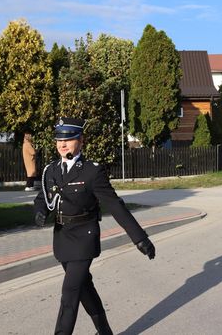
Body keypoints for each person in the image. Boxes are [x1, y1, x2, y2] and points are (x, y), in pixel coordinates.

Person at [34, 117, 156, 335]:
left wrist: (140, 238)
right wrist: (40, 211)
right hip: (62, 238)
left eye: (68, 140)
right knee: (84, 289)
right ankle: (105, 331)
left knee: (69, 292)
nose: (62, 145)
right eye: (59, 140)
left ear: (80, 140)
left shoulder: (92, 171)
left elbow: (115, 206)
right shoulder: (51, 170)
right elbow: (42, 197)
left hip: (84, 238)